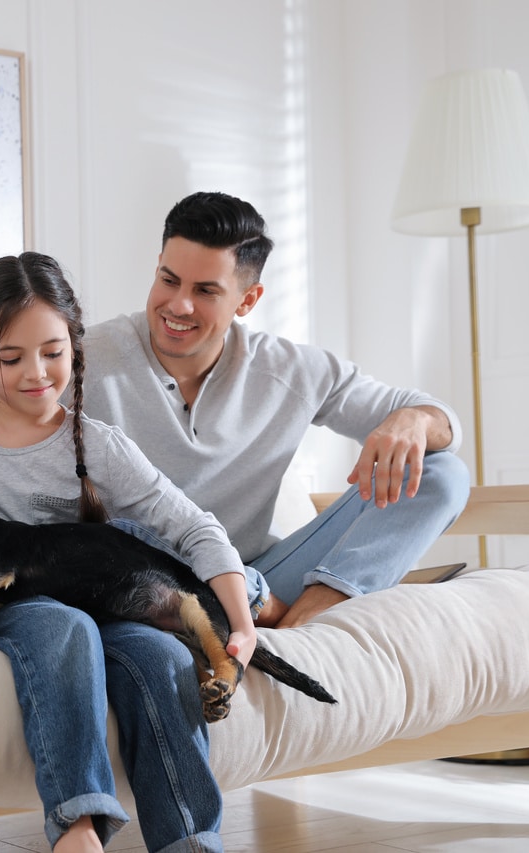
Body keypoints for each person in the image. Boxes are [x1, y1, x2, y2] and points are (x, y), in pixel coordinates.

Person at [0, 251, 265, 852]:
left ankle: (192, 843)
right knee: (63, 624)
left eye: (53, 352)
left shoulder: (97, 444)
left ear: (74, 343)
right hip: (8, 604)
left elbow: (193, 527)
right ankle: (79, 826)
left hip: (107, 606)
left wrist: (241, 626)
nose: (36, 373)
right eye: (10, 358)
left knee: (162, 659)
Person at [81, 191, 471, 628]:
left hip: (261, 582)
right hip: (141, 589)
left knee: (444, 474)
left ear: (247, 301)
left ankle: (312, 615)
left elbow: (441, 421)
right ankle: (293, 624)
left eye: (205, 291)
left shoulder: (290, 371)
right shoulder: (83, 359)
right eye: (168, 280)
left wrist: (414, 419)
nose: (178, 305)